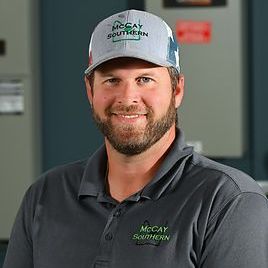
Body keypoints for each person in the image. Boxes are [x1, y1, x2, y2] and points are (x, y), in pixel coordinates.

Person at [3, 9, 268, 268]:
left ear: (177, 90)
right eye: (111, 80)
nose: (128, 98)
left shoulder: (228, 202)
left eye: (144, 79)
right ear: (90, 91)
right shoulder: (45, 196)